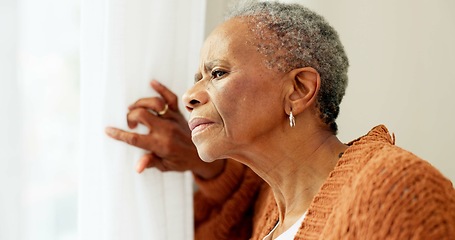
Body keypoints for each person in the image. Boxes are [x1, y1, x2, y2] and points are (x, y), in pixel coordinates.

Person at [106, 1, 455, 239]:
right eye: (197, 76)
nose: (189, 95)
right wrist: (206, 167)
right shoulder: (269, 211)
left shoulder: (396, 191)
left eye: (217, 72)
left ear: (299, 89)